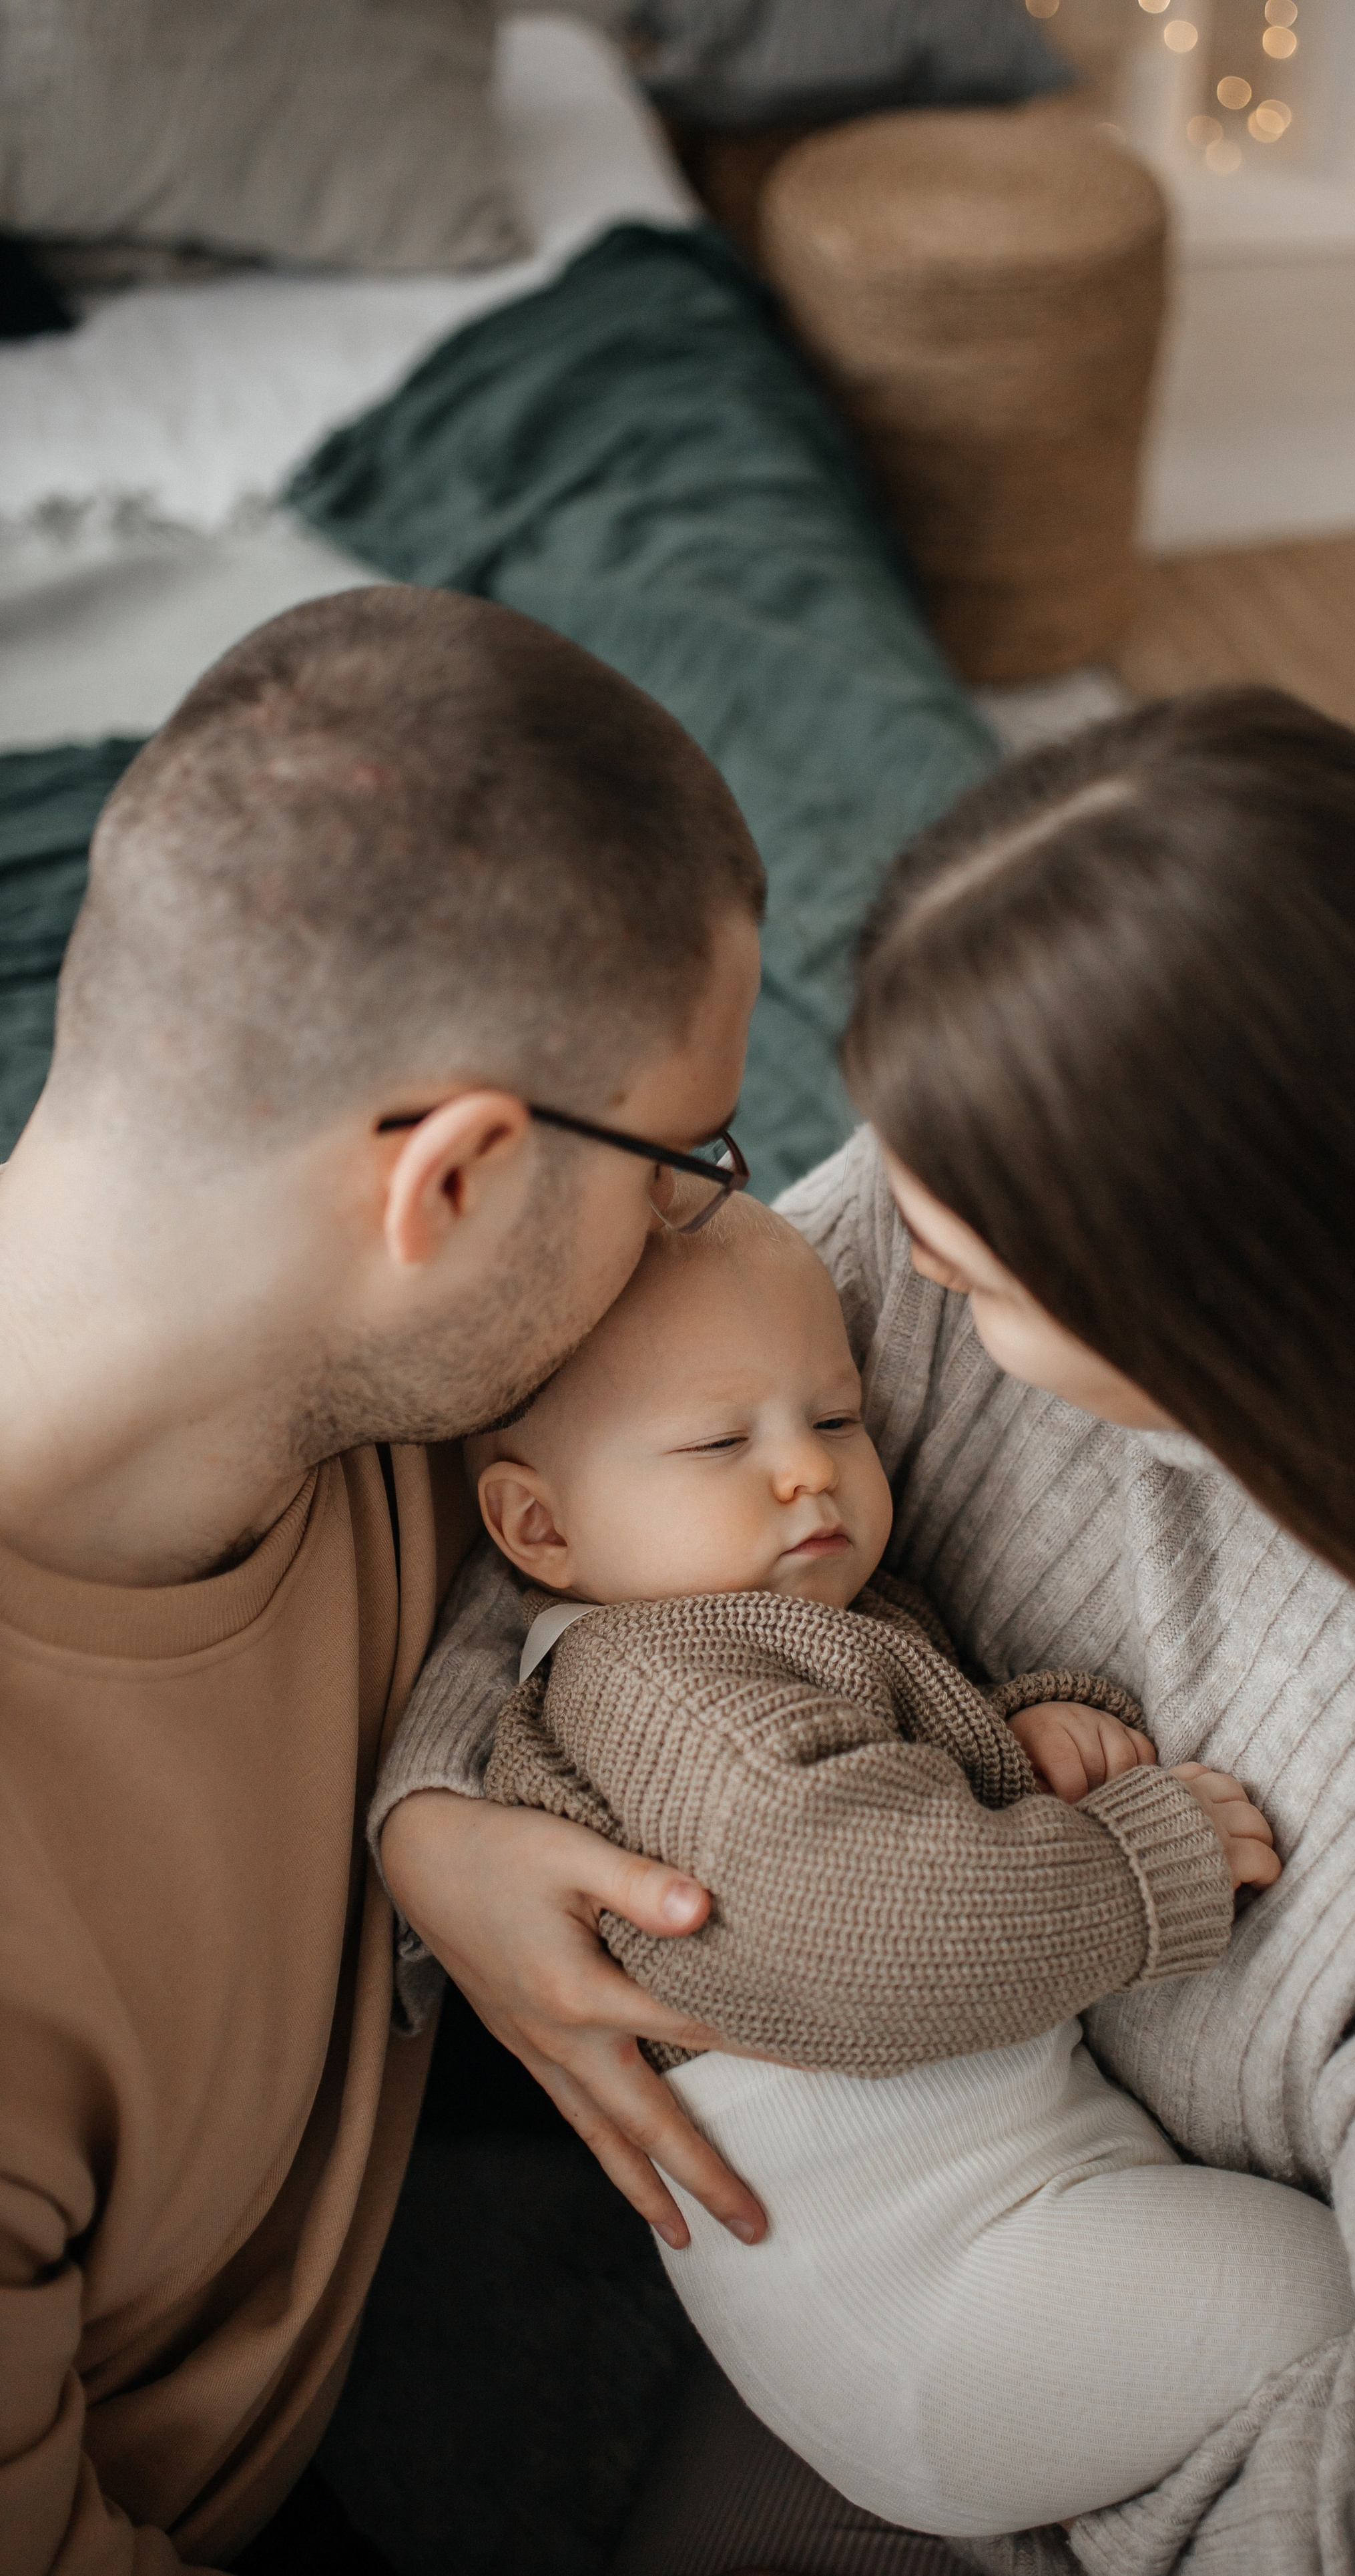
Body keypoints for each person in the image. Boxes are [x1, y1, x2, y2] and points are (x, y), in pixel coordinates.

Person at [379, 689, 1355, 2573]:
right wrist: (442, 1822)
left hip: (1145, 2426)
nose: (880, 1253)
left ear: (1215, 1306)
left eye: (968, 1265)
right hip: (915, 2234)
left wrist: (1048, 2487)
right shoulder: (933, 1269)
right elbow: (574, 1490)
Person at [0, 585, 777, 2575]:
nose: (718, 1217)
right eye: (690, 1152)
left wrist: (434, 1803)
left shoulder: (351, 1387)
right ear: (450, 1182)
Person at [400, 1191, 1350, 2538]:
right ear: (538, 1533)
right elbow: (877, 1925)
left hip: (975, 2256)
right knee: (1330, 2299)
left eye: (834, 1418)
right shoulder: (654, 1686)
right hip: (942, 2305)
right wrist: (1138, 1868)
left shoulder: (748, 1630)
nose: (806, 1472)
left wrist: (1018, 1749)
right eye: (724, 1439)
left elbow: (873, 1786)